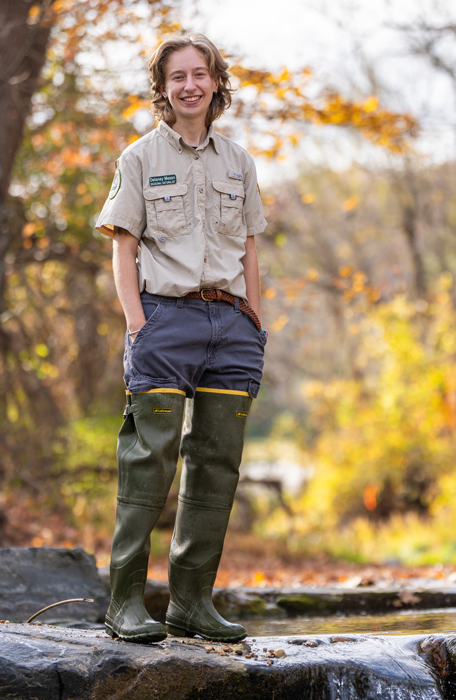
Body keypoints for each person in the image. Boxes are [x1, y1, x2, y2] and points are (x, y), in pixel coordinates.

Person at [95, 34, 267, 644]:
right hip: (164, 322)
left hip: (231, 328)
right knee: (150, 463)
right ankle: (124, 603)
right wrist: (138, 324)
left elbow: (248, 247)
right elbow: (124, 247)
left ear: (217, 82)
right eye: (178, 77)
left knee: (217, 467)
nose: (190, 85)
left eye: (201, 74)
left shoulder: (239, 161)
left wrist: (254, 319)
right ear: (163, 89)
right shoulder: (139, 157)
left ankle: (191, 603)